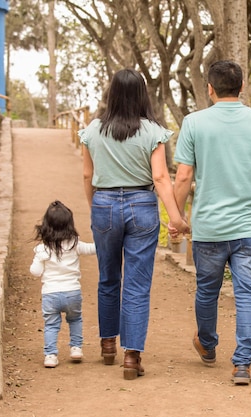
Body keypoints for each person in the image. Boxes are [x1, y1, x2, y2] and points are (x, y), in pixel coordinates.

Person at [173, 60, 251, 385]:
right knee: (247, 293)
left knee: (207, 291)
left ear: (210, 89)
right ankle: (242, 365)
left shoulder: (194, 122)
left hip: (208, 227)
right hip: (249, 226)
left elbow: (183, 177)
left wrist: (178, 218)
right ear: (242, 87)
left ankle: (207, 346)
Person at [79, 68, 190, 380]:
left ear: (112, 93)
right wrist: (176, 219)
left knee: (107, 278)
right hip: (142, 206)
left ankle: (107, 345)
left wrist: (96, 207)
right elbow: (160, 177)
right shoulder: (152, 131)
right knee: (137, 284)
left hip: (104, 204)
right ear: (142, 94)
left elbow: (87, 176)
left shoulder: (93, 130)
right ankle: (132, 356)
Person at [30, 200, 97, 368]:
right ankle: (76, 348)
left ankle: (51, 355)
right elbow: (92, 249)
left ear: (46, 225)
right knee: (75, 320)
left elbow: (35, 272)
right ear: (69, 224)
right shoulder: (74, 244)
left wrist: (39, 257)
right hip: (72, 292)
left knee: (51, 325)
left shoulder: (43, 249)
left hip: (50, 294)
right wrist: (106, 242)